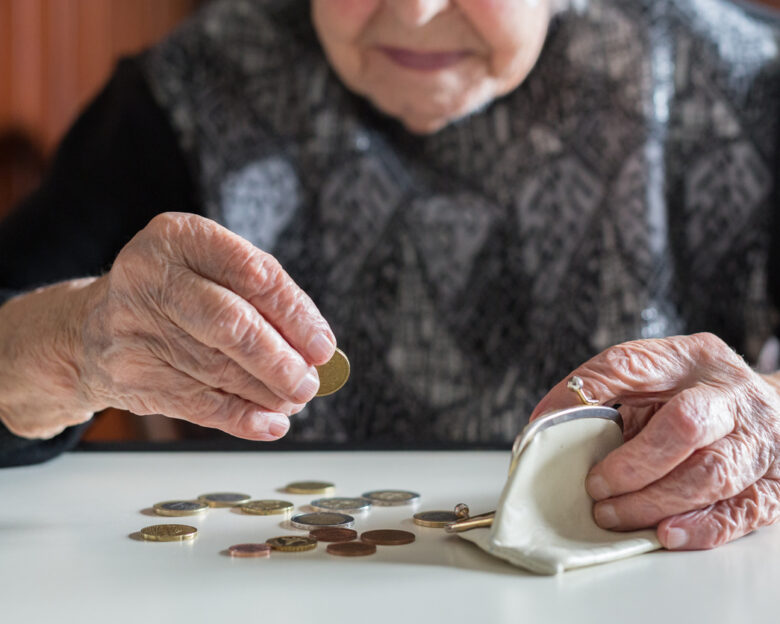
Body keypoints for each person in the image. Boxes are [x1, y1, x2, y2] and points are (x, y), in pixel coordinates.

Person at [1, 0, 780, 552]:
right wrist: (73, 340)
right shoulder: (185, 92)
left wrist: (767, 416)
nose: (413, 10)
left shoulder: (749, 83)